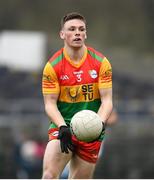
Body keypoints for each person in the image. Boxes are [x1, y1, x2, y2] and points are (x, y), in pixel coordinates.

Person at [41, 12, 113, 179]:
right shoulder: (53, 66)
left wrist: (99, 123)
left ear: (86, 34)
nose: (77, 33)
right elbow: (49, 104)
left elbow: (107, 101)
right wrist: (62, 127)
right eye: (72, 29)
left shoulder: (101, 62)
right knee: (49, 176)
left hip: (91, 131)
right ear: (62, 34)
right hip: (63, 127)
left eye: (81, 29)